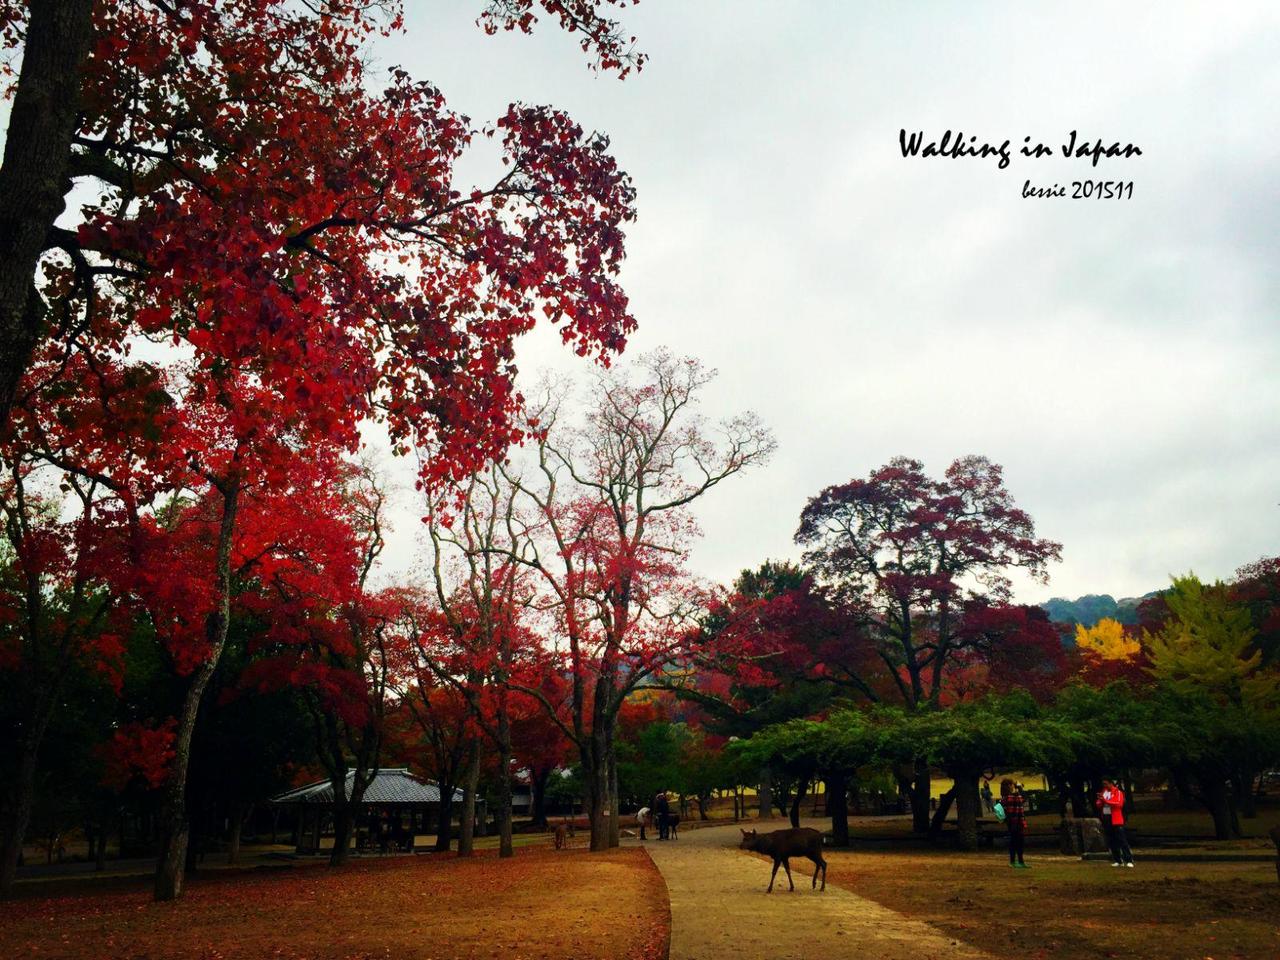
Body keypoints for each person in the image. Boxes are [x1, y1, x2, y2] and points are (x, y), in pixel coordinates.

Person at [1097, 780, 1135, 867]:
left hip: (1116, 818)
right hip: (1107, 817)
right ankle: (1118, 860)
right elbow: (1099, 804)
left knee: (1121, 839)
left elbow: (1119, 804)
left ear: (1111, 783)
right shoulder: (1104, 792)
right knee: (1111, 840)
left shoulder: (1117, 792)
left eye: (1106, 784)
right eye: (1103, 784)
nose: (1105, 786)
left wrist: (1106, 801)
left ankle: (1128, 859)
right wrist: (1101, 801)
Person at [1000, 778, 1028, 869]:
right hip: (1017, 822)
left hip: (1011, 822)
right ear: (1009, 786)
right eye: (1012, 784)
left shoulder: (1004, 798)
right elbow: (1023, 797)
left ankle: (1014, 861)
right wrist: (1019, 787)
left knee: (1014, 841)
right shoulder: (1013, 797)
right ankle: (1020, 861)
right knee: (1019, 842)